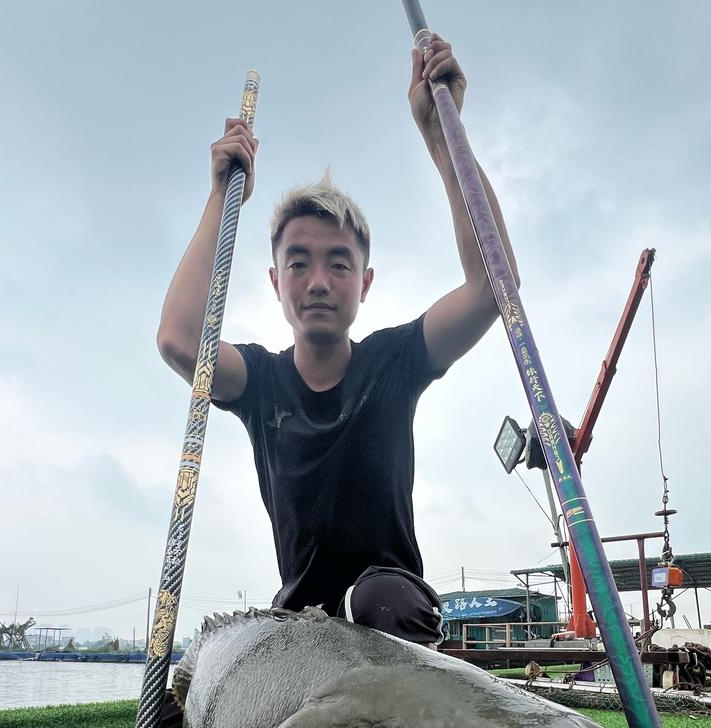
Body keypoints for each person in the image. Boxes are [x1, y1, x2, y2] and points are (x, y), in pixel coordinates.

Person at [156, 36, 518, 646]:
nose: (319, 282)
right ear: (276, 282)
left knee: (381, 598)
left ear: (365, 282)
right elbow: (179, 340)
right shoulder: (262, 382)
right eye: (299, 263)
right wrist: (222, 194)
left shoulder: (395, 361)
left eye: (339, 264)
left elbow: (492, 287)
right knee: (216, 664)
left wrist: (441, 135)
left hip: (394, 614)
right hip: (300, 627)